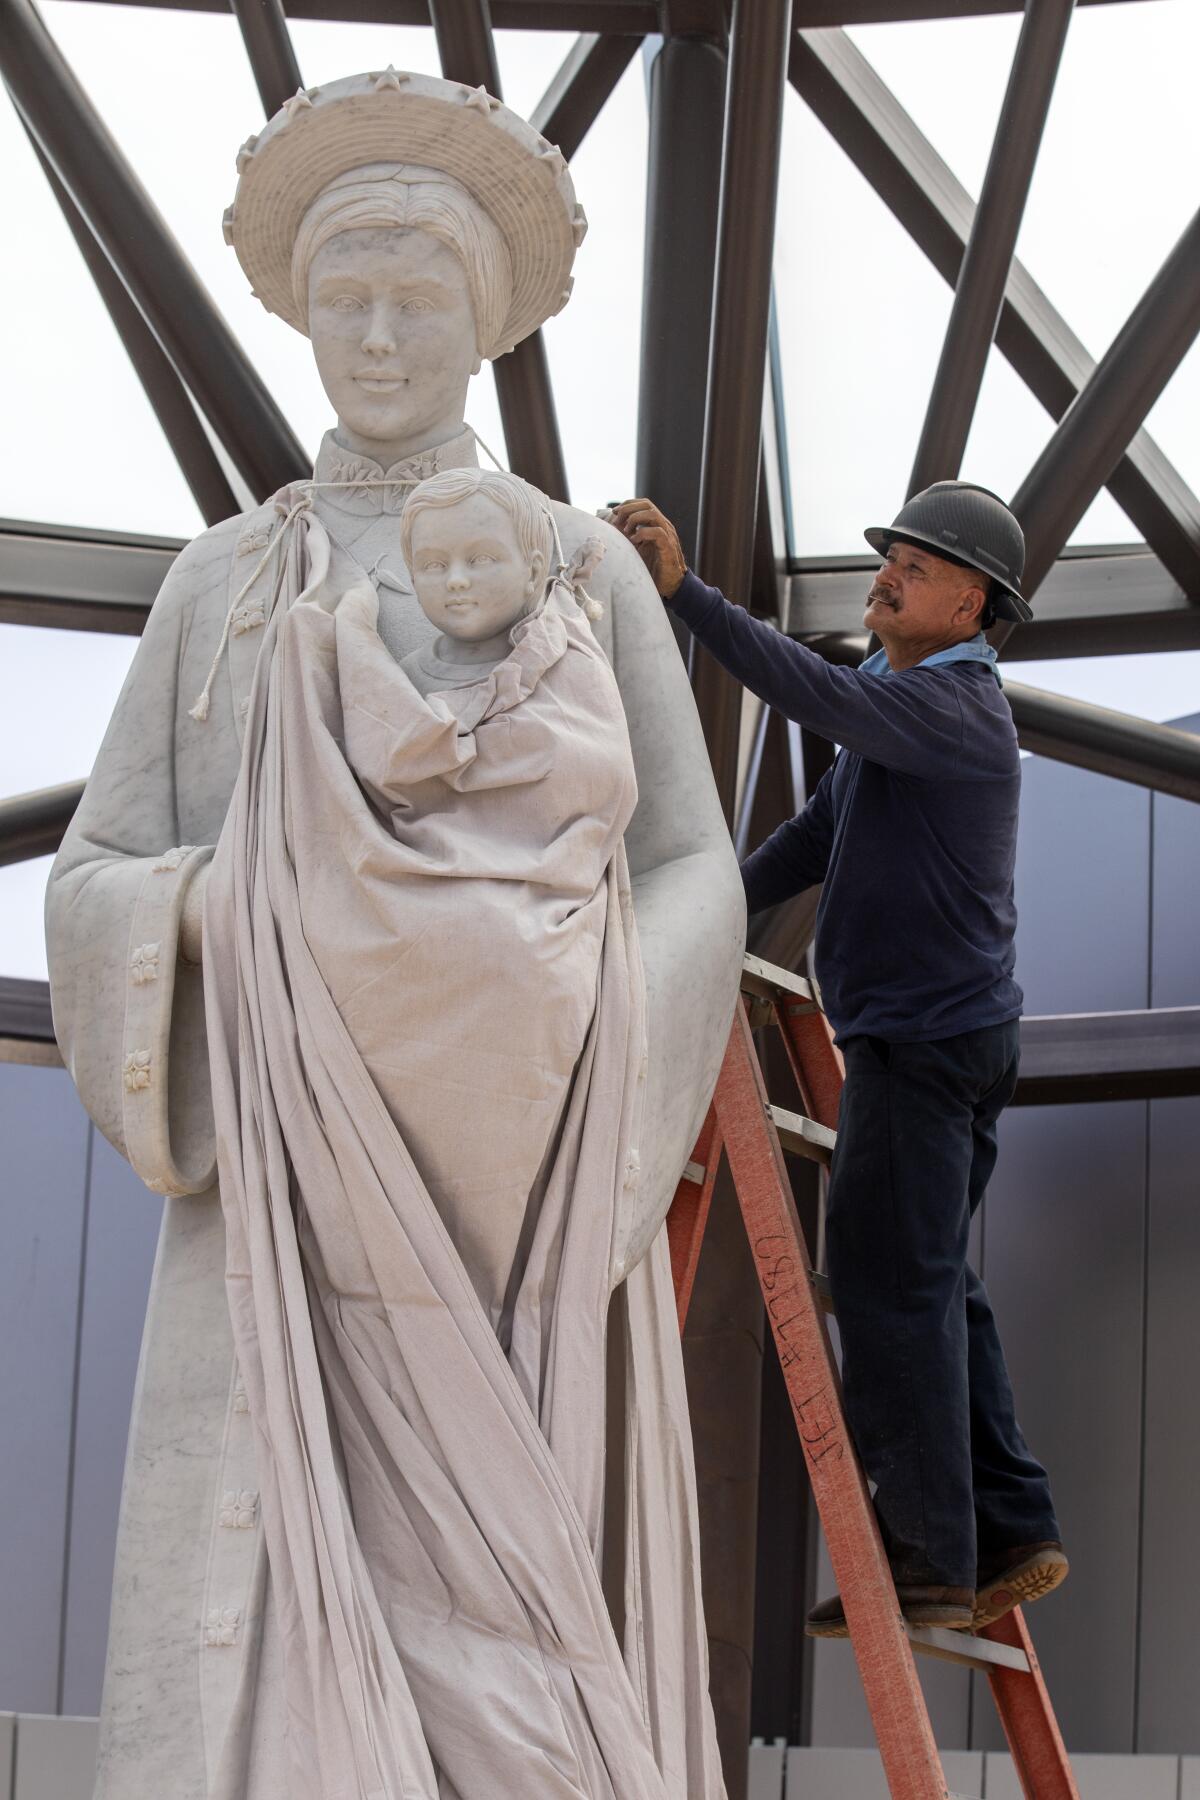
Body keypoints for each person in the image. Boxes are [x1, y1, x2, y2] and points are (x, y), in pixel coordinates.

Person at [46, 72, 741, 1800]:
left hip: (511, 1208)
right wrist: (245, 920)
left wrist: (578, 1058)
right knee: (257, 1598)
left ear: (483, 327)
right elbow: (98, 867)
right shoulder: (219, 582)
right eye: (344, 299)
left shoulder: (579, 566)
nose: (375, 336)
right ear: (297, 315)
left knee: (514, 1638)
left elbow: (691, 866)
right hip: (278, 1192)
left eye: (416, 300)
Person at [612, 481, 1067, 1637]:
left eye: (914, 568)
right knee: (939, 1285)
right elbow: (820, 835)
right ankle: (1011, 1526)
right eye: (889, 559)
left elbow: (798, 685)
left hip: (920, 1046)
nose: (886, 576)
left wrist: (688, 598)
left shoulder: (954, 713)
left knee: (884, 1282)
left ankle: (927, 1564)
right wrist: (710, 901)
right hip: (941, 1036)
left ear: (972, 607)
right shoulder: (898, 699)